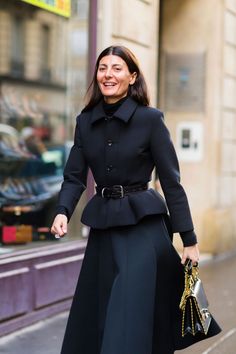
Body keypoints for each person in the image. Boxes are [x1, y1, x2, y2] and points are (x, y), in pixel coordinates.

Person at [51, 46, 221, 354]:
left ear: (132, 77)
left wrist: (190, 240)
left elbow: (171, 183)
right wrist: (63, 211)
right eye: (103, 68)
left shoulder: (151, 120)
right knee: (101, 314)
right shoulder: (85, 122)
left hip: (144, 229)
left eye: (117, 68)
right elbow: (74, 176)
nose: (108, 75)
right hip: (103, 229)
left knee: (129, 314)